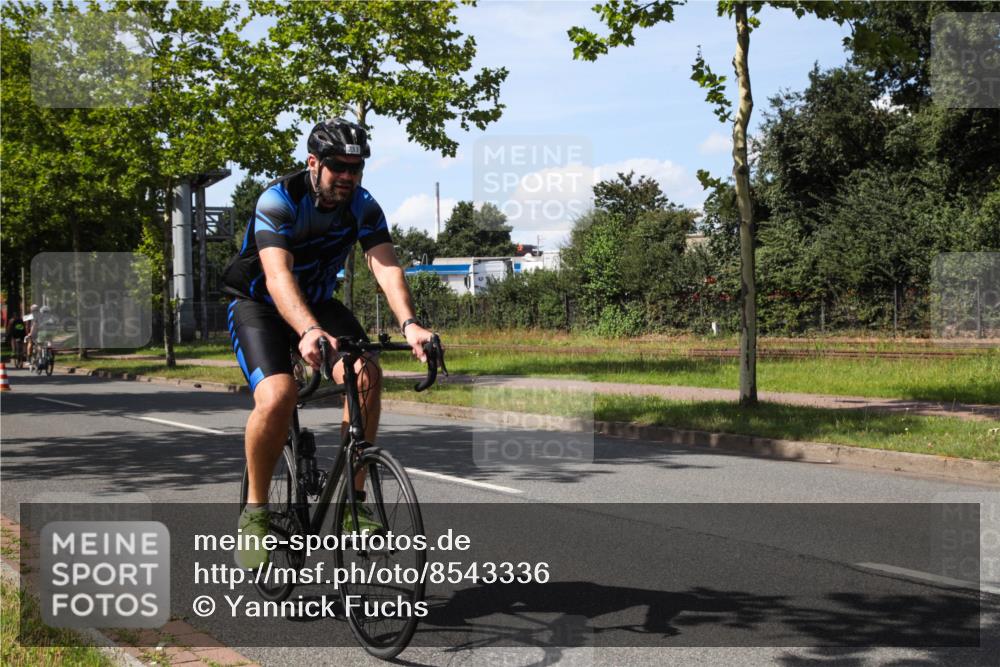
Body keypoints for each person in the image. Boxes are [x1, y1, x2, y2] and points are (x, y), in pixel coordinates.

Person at [221, 118, 438, 569]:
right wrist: (307, 330)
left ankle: (354, 506)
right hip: (260, 305)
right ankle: (255, 512)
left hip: (318, 303)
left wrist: (411, 324)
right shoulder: (278, 200)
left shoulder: (363, 206)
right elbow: (278, 276)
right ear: (313, 163)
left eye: (355, 168)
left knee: (366, 373)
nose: (347, 176)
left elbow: (386, 266)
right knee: (277, 396)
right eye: (338, 166)